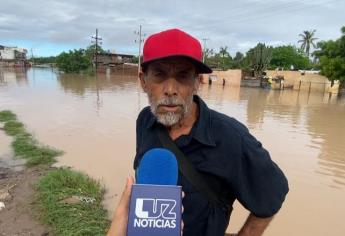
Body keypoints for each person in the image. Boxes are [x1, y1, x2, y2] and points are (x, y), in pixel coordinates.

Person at [132, 28, 288, 236]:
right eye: (159, 75)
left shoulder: (230, 137)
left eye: (183, 76)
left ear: (198, 82)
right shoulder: (145, 121)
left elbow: (271, 194)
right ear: (144, 81)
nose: (170, 89)